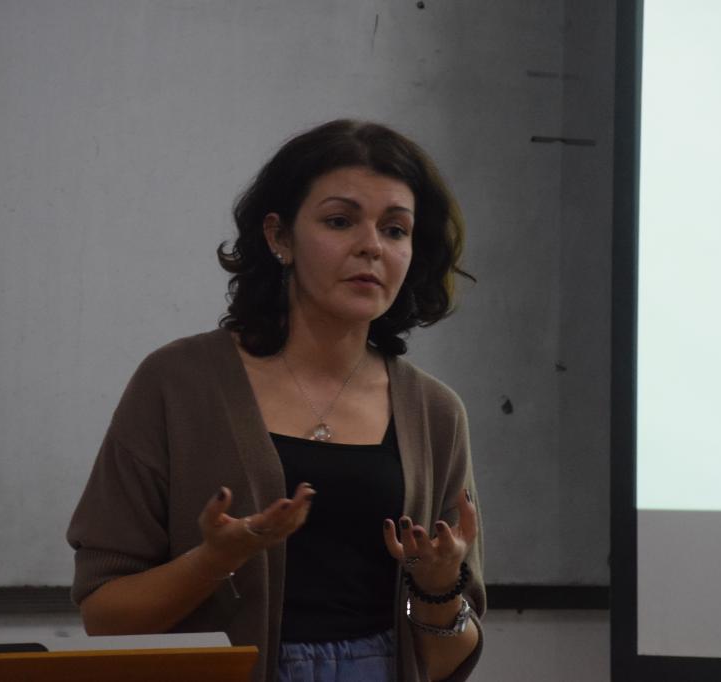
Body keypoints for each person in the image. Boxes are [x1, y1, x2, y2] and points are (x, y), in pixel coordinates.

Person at [66, 119, 485, 682]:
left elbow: (449, 661)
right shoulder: (178, 383)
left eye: (395, 230)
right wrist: (215, 560)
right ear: (279, 237)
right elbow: (104, 615)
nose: (371, 246)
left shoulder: (435, 412)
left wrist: (437, 589)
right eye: (340, 221)